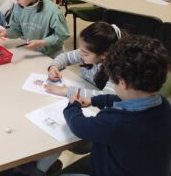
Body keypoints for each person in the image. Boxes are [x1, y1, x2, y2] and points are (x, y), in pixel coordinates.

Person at [63, 35, 171, 176]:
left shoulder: (115, 122)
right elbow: (122, 99)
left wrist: (73, 106)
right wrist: (94, 101)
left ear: (122, 83)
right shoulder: (164, 105)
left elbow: (79, 126)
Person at [45, 22, 122, 99]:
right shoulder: (86, 52)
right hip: (86, 90)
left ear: (103, 55)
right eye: (80, 49)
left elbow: (107, 97)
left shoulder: (117, 69)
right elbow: (65, 57)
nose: (80, 54)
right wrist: (53, 67)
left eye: (85, 54)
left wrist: (67, 91)